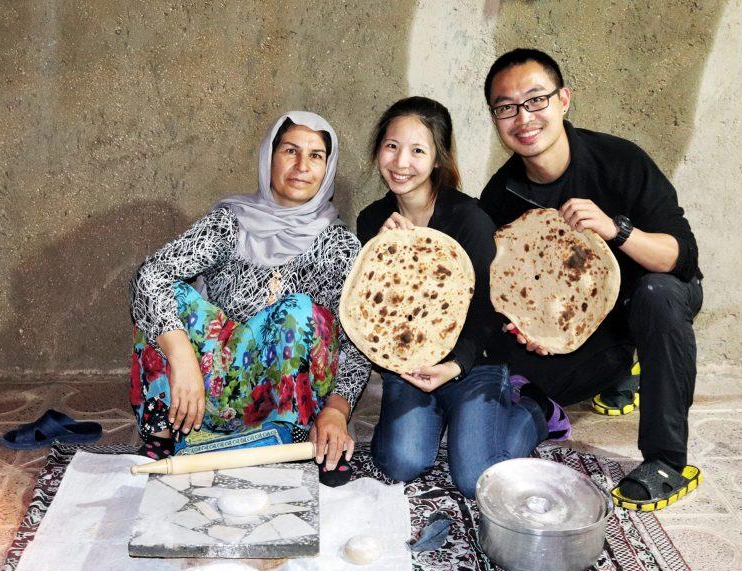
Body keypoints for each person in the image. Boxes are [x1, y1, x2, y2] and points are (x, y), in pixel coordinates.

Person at [479, 49, 703, 509]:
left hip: (647, 301)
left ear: (563, 100)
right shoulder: (500, 195)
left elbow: (680, 257)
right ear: (496, 119)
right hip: (583, 327)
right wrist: (529, 331)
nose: (523, 117)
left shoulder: (620, 161)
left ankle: (667, 460)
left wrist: (617, 229)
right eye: (506, 107)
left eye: (536, 99)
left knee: (659, 296)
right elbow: (505, 297)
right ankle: (620, 370)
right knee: (504, 361)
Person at [129, 111, 370, 486]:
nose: (302, 166)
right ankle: (169, 431)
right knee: (164, 294)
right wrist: (181, 358)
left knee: (297, 311)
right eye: (290, 150)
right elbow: (151, 275)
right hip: (216, 381)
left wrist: (337, 411)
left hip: (289, 395)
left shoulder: (339, 247)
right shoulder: (230, 220)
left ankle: (297, 439)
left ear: (328, 168)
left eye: (316, 156)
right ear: (269, 156)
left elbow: (358, 342)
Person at [357, 97, 563, 498]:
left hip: (475, 362)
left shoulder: (469, 218)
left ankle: (534, 409)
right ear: (379, 149)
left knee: (475, 478)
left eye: (418, 150)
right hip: (410, 366)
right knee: (402, 462)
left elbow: (491, 309)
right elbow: (370, 317)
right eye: (392, 146)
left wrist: (455, 365)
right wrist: (380, 260)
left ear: (438, 159)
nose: (401, 162)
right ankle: (441, 418)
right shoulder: (371, 221)